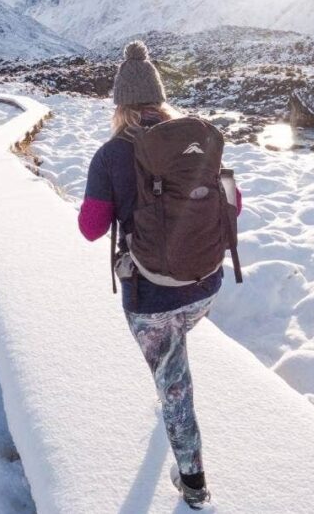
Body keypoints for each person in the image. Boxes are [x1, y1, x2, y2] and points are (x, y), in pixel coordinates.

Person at [77, 40, 241, 510]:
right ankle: (167, 384)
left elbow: (90, 230)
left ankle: (194, 486)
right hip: (206, 283)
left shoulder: (110, 156)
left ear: (119, 105)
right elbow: (235, 203)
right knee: (174, 353)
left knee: (175, 388)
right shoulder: (193, 142)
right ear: (159, 98)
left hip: (152, 297)